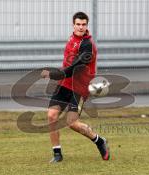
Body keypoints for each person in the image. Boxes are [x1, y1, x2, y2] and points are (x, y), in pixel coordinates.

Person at [41, 12, 110, 163]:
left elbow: (76, 67)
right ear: (73, 25)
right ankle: (57, 154)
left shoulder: (87, 46)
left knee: (71, 122)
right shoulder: (72, 38)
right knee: (51, 116)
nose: (81, 27)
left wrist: (54, 74)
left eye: (84, 24)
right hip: (64, 84)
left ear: (87, 26)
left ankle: (99, 141)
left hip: (79, 88)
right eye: (78, 24)